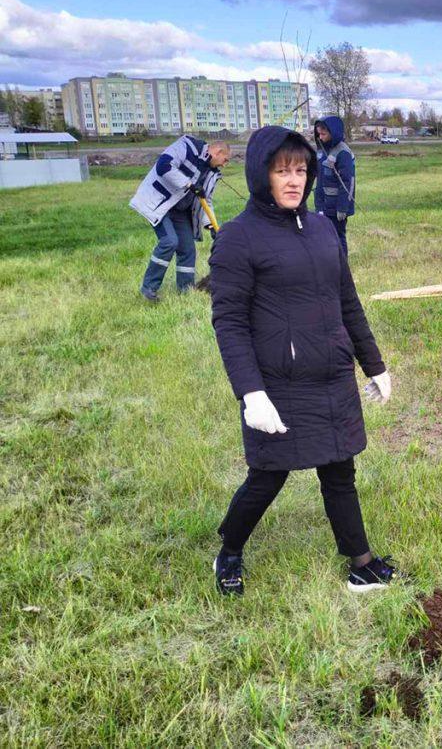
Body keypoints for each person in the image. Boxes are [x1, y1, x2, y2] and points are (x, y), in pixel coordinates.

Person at [208, 125, 395, 596]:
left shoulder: (322, 229)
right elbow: (229, 323)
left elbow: (347, 301)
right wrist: (251, 393)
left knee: (340, 469)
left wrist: (374, 364)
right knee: (269, 476)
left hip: (331, 375)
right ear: (260, 175)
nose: (293, 180)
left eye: (300, 169)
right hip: (278, 384)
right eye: (280, 170)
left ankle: (361, 563)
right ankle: (229, 550)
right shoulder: (237, 238)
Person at [130, 136, 230, 300]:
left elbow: (206, 200)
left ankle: (186, 291)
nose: (225, 165)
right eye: (225, 160)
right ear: (218, 151)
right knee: (169, 241)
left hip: (181, 212)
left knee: (188, 249)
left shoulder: (213, 174)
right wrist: (189, 184)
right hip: (160, 205)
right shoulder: (186, 146)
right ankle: (148, 289)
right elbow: (164, 166)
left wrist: (211, 225)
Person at [313, 116, 356, 255]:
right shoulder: (322, 151)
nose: (320, 136)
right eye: (318, 133)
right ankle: (331, 263)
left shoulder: (343, 153)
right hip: (323, 205)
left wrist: (342, 208)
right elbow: (319, 178)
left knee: (338, 237)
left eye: (323, 134)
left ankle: (342, 265)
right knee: (325, 238)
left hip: (337, 207)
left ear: (333, 132)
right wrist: (319, 206)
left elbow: (347, 182)